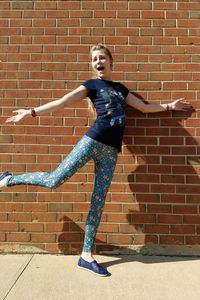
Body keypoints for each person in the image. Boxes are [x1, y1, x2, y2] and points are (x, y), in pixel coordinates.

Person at [0, 44, 193, 276]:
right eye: (94, 60)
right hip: (91, 142)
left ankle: (86, 255)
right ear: (93, 65)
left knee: (98, 202)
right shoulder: (92, 85)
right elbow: (62, 102)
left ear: (111, 62)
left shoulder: (120, 89)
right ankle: (9, 179)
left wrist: (170, 106)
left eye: (102, 58)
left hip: (111, 152)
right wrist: (30, 112)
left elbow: (143, 108)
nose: (98, 62)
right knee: (54, 180)